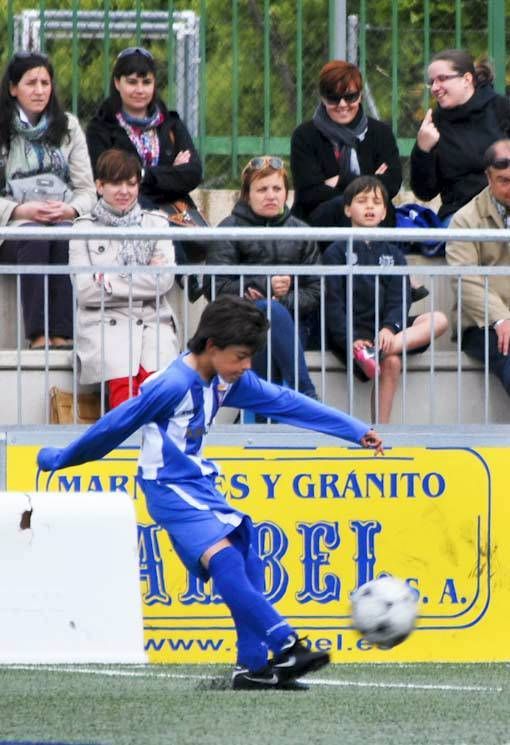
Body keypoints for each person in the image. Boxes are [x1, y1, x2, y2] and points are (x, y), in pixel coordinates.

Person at [37, 295, 384, 690]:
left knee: (247, 560)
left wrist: (353, 429)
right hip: (167, 486)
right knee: (227, 562)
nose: (247, 366)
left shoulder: (224, 377)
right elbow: (115, 425)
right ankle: (287, 644)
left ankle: (252, 668)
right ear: (212, 347)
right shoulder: (172, 385)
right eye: (241, 356)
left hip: (197, 483)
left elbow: (286, 402)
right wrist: (62, 458)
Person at [323, 176, 448, 424]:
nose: (370, 207)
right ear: (348, 209)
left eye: (376, 202)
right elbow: (333, 305)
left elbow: (400, 298)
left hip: (389, 332)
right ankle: (370, 355)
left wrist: (390, 327)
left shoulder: (394, 254)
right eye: (362, 201)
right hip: (355, 334)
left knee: (439, 319)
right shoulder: (336, 252)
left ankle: (381, 430)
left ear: (384, 213)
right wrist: (351, 340)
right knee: (390, 360)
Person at [69, 148, 180, 409]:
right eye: (116, 183)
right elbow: (86, 291)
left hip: (154, 324)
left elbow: (163, 281)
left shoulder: (156, 224)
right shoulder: (82, 228)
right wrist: (143, 276)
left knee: (160, 394)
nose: (125, 191)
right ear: (99, 186)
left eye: (131, 184)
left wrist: (108, 278)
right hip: (107, 327)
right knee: (125, 401)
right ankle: (127, 450)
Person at [0, 51, 96, 349]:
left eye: (45, 82)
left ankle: (63, 335)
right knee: (35, 236)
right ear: (13, 88)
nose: (40, 90)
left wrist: (69, 209)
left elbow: (88, 191)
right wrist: (20, 209)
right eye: (31, 83)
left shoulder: (68, 127)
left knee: (66, 236)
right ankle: (39, 336)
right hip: (13, 229)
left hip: (61, 221)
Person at [205, 156, 319, 398]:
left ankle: (259, 417)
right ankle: (306, 395)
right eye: (262, 189)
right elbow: (214, 288)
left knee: (273, 318)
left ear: (286, 193)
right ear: (247, 194)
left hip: (293, 323)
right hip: (239, 323)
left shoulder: (302, 231)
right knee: (266, 316)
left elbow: (316, 291)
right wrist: (261, 285)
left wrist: (283, 301)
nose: (271, 195)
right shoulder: (229, 229)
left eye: (277, 189)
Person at [86, 46, 204, 272]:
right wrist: (170, 174)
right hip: (125, 210)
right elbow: (108, 177)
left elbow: (193, 173)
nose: (139, 89)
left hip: (174, 210)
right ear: (117, 83)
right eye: (132, 82)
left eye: (146, 82)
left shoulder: (171, 123)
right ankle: (184, 275)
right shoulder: (100, 128)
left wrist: (142, 175)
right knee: (153, 219)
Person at [290, 59, 402, 228]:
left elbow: (391, 185)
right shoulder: (304, 136)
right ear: (322, 98)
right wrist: (370, 181)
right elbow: (309, 194)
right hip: (320, 222)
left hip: (374, 222)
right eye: (333, 98)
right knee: (338, 206)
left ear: (360, 95)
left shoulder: (381, 133)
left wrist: (338, 181)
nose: (342, 105)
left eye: (350, 97)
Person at [410, 49, 510, 224]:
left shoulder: (501, 109)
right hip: (459, 214)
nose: (435, 88)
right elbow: (425, 192)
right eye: (432, 82)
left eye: (442, 79)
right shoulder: (434, 123)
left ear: (466, 79)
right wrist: (423, 149)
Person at [446, 139, 510, 397]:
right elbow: (465, 279)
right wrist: (502, 318)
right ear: (488, 177)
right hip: (483, 324)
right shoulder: (465, 219)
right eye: (504, 180)